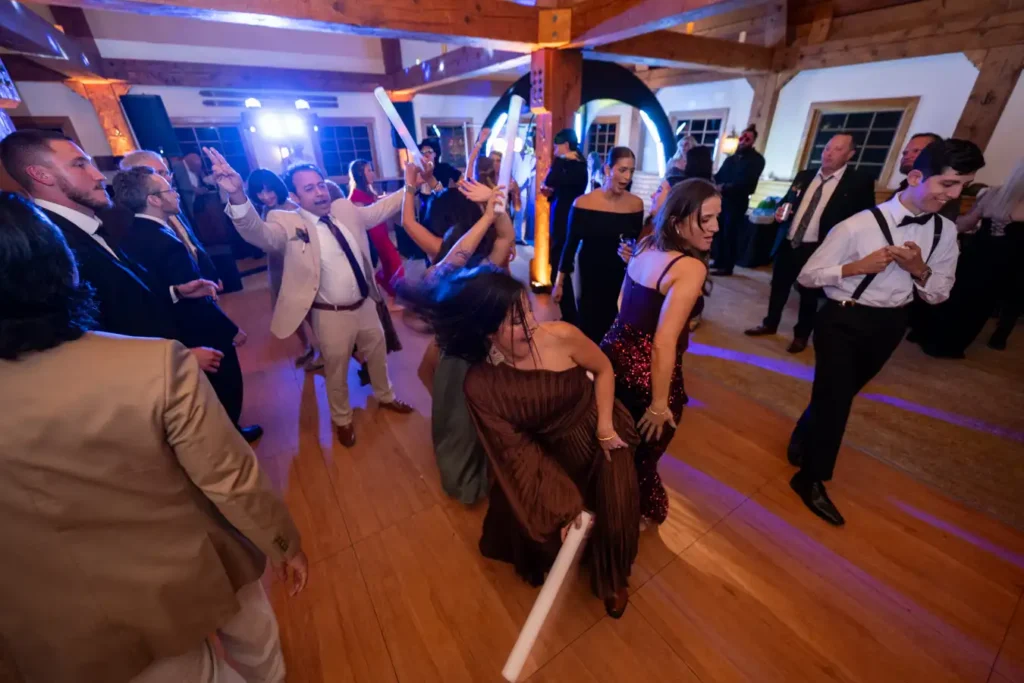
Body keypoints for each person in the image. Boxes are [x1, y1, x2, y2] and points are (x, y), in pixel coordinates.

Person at [0, 193, 308, 683]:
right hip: (188, 563)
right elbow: (229, 476)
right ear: (58, 264)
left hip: (53, 618)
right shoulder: (153, 364)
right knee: (254, 647)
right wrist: (283, 543)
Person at [400, 264, 641, 617]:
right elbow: (516, 452)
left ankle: (614, 579)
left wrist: (605, 426)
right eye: (515, 321)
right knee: (545, 520)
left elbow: (604, 369)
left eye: (527, 308)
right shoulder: (482, 385)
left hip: (598, 428)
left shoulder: (561, 334)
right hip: (549, 450)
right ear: (486, 331)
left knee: (616, 507)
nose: (530, 323)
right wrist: (563, 508)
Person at [790, 138, 984, 526]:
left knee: (837, 394)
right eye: (947, 184)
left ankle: (801, 439)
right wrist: (853, 268)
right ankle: (810, 478)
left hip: (892, 323)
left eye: (963, 186)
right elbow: (806, 276)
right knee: (837, 402)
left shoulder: (945, 232)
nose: (954, 195)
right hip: (842, 319)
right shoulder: (856, 225)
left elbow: (938, 294)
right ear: (916, 176)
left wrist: (919, 270)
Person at [208, 148, 416, 448]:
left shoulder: (344, 208)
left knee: (378, 356)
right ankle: (342, 419)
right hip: (329, 313)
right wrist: (238, 196)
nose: (319, 192)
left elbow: (379, 210)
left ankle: (386, 397)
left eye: (320, 184)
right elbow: (258, 235)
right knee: (337, 369)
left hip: (367, 303)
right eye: (309, 188)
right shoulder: (287, 221)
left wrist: (411, 186)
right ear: (295, 195)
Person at [0, 131, 231, 390]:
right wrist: (175, 362)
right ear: (41, 175)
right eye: (79, 164)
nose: (99, 175)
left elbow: (117, 299)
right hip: (136, 385)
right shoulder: (47, 243)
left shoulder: (95, 224)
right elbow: (83, 335)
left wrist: (175, 292)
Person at [112, 166, 260, 442]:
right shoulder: (164, 242)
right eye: (168, 189)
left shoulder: (133, 234)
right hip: (197, 332)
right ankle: (232, 436)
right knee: (224, 386)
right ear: (154, 200)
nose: (175, 192)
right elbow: (195, 301)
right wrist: (230, 330)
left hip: (173, 330)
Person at [602, 179, 719, 526]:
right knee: (644, 457)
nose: (715, 227)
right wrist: (658, 403)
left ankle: (615, 507)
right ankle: (635, 515)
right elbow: (663, 343)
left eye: (717, 218)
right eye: (706, 219)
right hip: (645, 374)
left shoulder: (647, 243)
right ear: (678, 221)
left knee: (617, 444)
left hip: (612, 351)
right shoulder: (689, 267)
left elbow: (622, 303)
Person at [745, 133, 876, 353]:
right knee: (778, 287)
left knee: (809, 294)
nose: (829, 153)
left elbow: (864, 218)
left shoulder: (858, 182)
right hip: (789, 242)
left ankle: (801, 335)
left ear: (850, 154)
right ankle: (770, 323)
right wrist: (780, 212)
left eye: (837, 149)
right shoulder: (805, 176)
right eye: (827, 148)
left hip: (819, 248)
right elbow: (788, 201)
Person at [923, 159, 1024, 355]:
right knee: (981, 304)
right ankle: (989, 338)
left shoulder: (992, 194)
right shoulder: (993, 194)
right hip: (1009, 264)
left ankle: (933, 337)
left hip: (978, 254)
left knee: (960, 296)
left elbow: (967, 223)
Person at [554, 146, 645, 344]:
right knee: (589, 327)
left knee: (617, 327)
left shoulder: (636, 205)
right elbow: (569, 246)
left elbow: (637, 244)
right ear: (607, 169)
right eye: (622, 170)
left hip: (620, 276)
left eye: (631, 171)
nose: (627, 176)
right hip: (590, 275)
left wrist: (633, 254)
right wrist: (559, 283)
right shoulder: (583, 203)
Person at [246, 168, 322, 370]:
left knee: (307, 308)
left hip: (296, 263)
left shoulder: (292, 208)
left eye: (269, 190)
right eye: (260, 193)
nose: (266, 196)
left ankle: (323, 348)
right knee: (287, 307)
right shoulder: (265, 210)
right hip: (277, 265)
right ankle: (307, 347)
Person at [117, 149, 221, 283]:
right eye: (159, 173)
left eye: (166, 172)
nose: (167, 179)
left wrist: (211, 273)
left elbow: (191, 242)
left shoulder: (172, 202)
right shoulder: (129, 223)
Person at [541, 129, 589, 324]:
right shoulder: (574, 166)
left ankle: (569, 315)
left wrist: (560, 160)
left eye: (557, 145)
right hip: (563, 217)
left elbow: (550, 180)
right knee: (559, 261)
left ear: (566, 145)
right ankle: (567, 314)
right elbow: (559, 188)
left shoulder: (574, 166)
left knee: (560, 263)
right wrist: (551, 194)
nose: (554, 149)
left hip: (566, 220)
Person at [348, 159, 405, 302]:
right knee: (393, 264)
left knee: (392, 265)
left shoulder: (368, 191)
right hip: (375, 237)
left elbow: (376, 204)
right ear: (361, 174)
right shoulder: (355, 197)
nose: (372, 174)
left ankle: (394, 295)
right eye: (369, 171)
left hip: (382, 234)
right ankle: (394, 297)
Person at [712, 125, 765, 276]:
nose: (743, 141)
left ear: (753, 141)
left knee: (731, 232)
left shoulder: (757, 160)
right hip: (722, 200)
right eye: (742, 138)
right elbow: (719, 175)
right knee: (720, 231)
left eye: (747, 138)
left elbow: (747, 182)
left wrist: (725, 187)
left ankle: (727, 266)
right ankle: (718, 260)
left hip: (738, 202)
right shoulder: (731, 159)